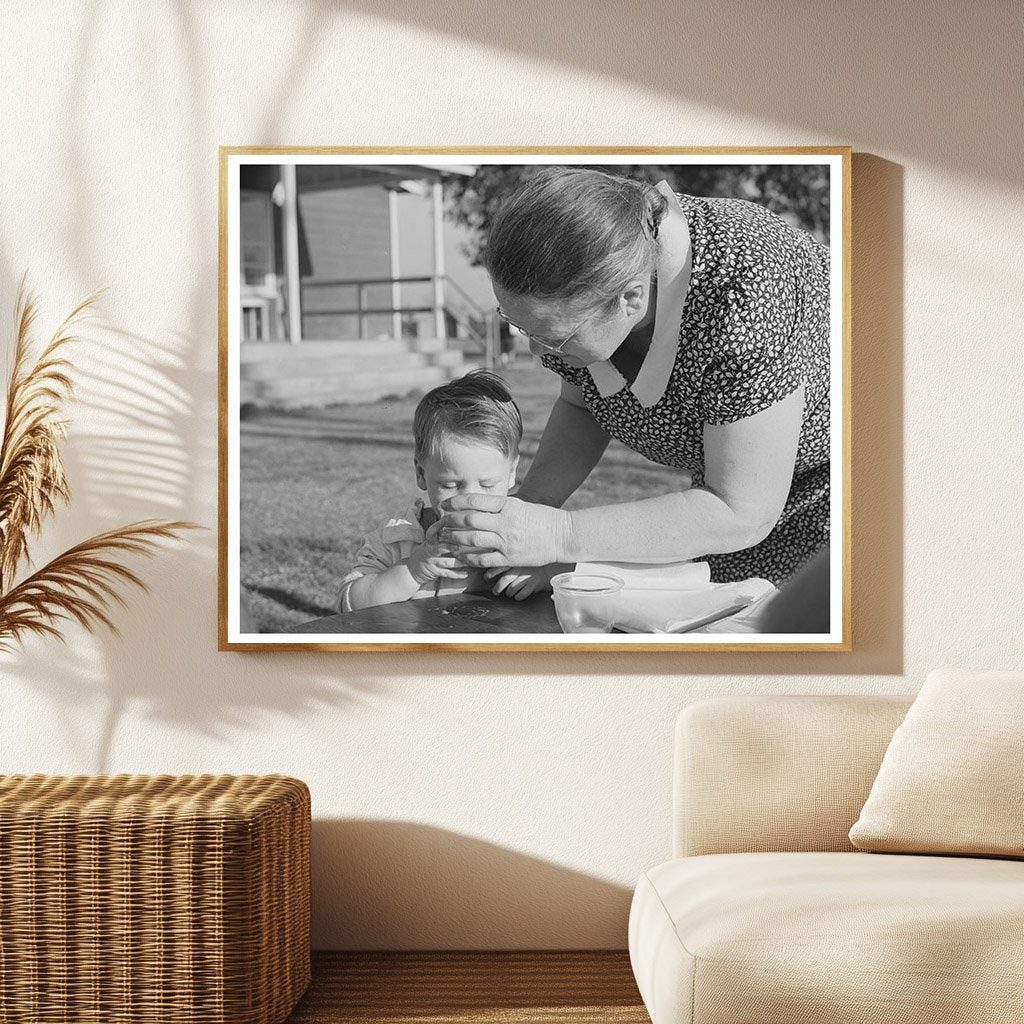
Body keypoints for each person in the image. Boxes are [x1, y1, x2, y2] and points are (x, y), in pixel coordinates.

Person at [439, 166, 831, 594]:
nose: (537, 353)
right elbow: (581, 404)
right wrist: (527, 513)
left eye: (552, 336)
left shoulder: (745, 290)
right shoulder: (600, 268)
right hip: (735, 506)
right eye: (521, 327)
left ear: (631, 298)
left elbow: (739, 510)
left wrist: (559, 536)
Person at [338, 370, 561, 612]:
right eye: (450, 485)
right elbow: (348, 604)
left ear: (511, 473)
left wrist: (544, 574)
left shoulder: (523, 534)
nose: (470, 500)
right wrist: (412, 571)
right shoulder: (397, 539)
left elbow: (584, 576)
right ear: (421, 474)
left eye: (487, 484)